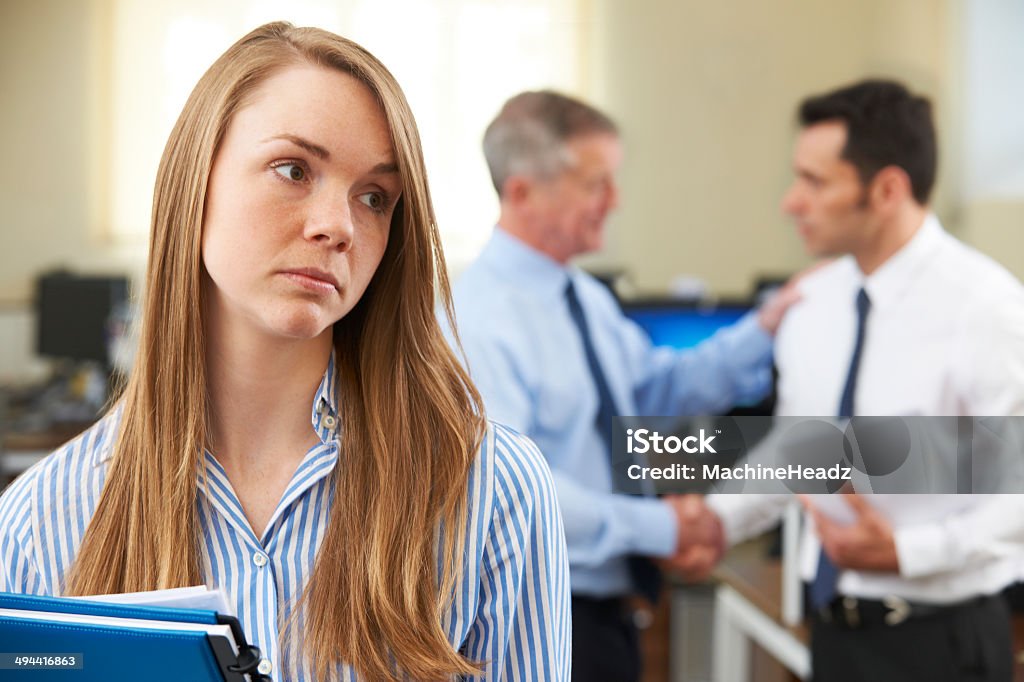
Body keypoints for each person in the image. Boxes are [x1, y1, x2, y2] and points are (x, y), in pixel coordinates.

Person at [0, 23, 571, 681]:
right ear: (197, 181)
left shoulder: (494, 490)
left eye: (375, 198)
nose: (338, 226)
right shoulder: (40, 522)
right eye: (293, 169)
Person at [443, 90, 797, 682]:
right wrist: (662, 528)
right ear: (523, 191)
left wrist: (765, 327)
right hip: (537, 623)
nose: (615, 200)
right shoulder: (477, 319)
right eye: (595, 183)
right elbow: (512, 492)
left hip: (606, 618)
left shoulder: (584, 298)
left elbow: (660, 387)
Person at [701, 79, 1024, 682]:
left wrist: (909, 553)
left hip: (942, 645)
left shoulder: (991, 311)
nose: (791, 202)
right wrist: (716, 519)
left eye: (815, 181)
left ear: (887, 190)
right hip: (834, 632)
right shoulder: (814, 302)